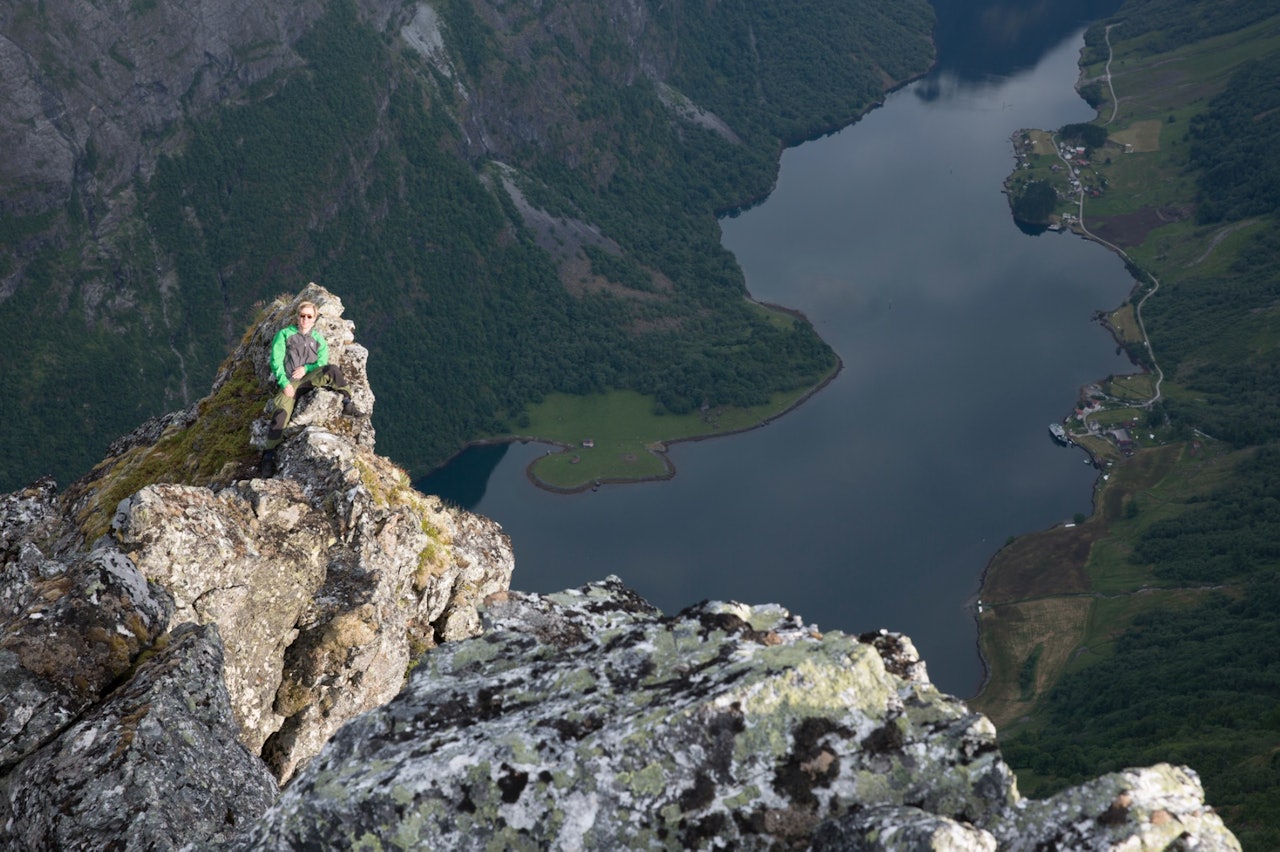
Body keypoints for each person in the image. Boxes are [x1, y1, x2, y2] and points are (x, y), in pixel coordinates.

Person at [261, 301, 360, 470]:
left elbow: (321, 362)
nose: (305, 319)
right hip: (291, 383)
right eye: (302, 316)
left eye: (309, 316)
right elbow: (276, 361)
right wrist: (284, 383)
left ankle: (347, 401)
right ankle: (268, 456)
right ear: (297, 317)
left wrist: (306, 368)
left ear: (314, 319)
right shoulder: (284, 334)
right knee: (281, 413)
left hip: (309, 379)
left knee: (332, 370)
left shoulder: (318, 339)